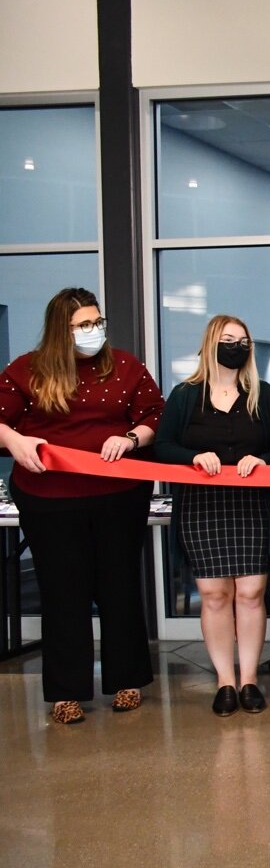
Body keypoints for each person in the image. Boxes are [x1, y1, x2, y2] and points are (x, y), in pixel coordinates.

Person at [0, 288, 164, 725]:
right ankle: (66, 692)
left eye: (97, 322)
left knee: (119, 584)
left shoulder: (125, 365)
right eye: (83, 325)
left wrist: (130, 438)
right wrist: (15, 440)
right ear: (61, 329)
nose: (94, 331)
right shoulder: (27, 370)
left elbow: (154, 416)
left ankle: (127, 680)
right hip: (49, 499)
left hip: (119, 495)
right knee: (62, 592)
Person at [156, 314, 270, 716]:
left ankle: (248, 679)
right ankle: (224, 682)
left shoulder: (262, 395)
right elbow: (161, 446)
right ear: (211, 343)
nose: (237, 346)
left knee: (250, 595)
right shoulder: (185, 395)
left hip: (252, 506)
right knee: (214, 596)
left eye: (243, 340)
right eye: (229, 339)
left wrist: (262, 460)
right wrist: (194, 456)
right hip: (202, 504)